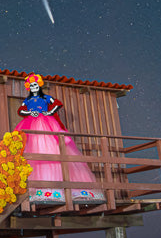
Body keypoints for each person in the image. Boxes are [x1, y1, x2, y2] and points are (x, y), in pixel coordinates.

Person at [15, 73, 106, 205]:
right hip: (31, 124)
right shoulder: (27, 101)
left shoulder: (45, 97)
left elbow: (57, 103)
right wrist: (30, 112)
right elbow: (21, 110)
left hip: (46, 124)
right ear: (29, 88)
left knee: (52, 150)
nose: (33, 87)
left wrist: (50, 112)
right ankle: (34, 191)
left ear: (39, 86)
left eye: (35, 85)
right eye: (31, 86)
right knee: (32, 151)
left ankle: (58, 190)